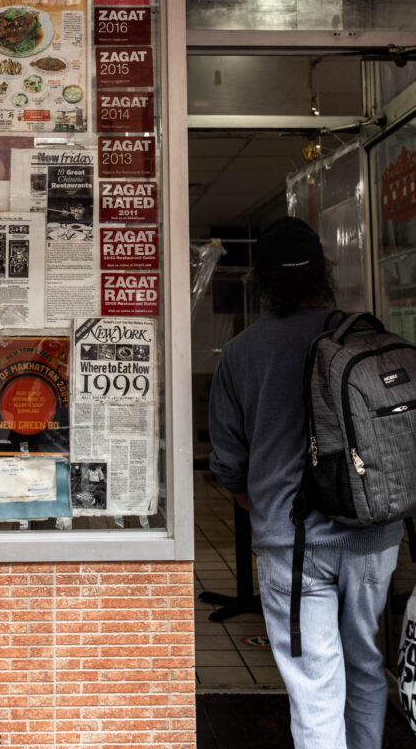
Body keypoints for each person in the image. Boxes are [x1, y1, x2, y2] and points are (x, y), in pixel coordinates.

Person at [208, 217, 402, 749]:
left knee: (315, 680)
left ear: (263, 283)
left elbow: (228, 462)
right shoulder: (367, 335)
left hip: (292, 544)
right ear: (324, 273)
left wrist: (260, 503)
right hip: (374, 534)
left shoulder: (244, 352)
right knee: (364, 662)